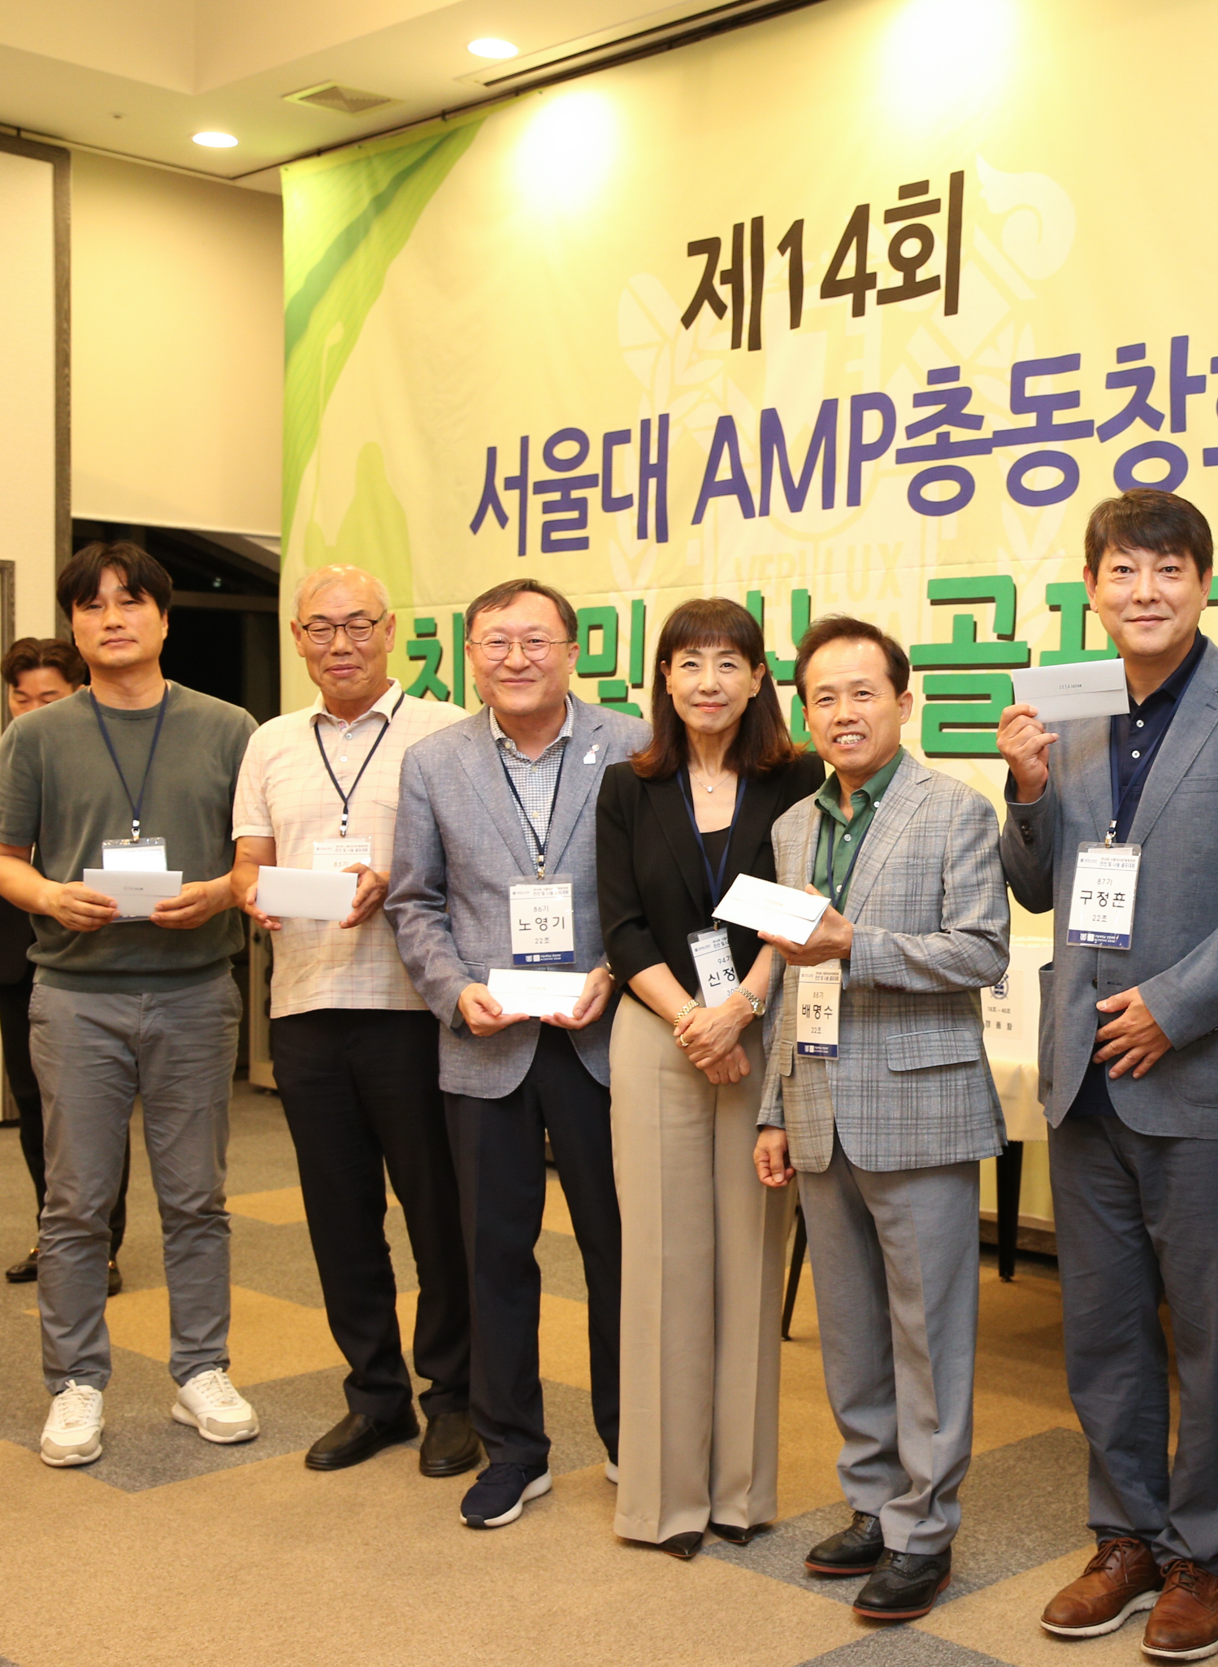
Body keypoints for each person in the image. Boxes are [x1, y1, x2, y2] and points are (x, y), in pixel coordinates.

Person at [995, 490, 1218, 1662]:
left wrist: (1174, 1008)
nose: (1146, 590)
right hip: (1085, 1069)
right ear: (1091, 588)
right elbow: (1038, 885)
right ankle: (1124, 1537)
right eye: (1123, 571)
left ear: (1205, 583)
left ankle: (1203, 1556)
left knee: (1216, 1339)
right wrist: (1026, 790)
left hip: (1208, 1071)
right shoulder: (1068, 706)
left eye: (1168, 568)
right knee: (1101, 1330)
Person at [751, 617, 1008, 1626]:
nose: (843, 712)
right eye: (823, 696)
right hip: (817, 1101)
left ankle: (924, 1528)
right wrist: (773, 1107)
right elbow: (785, 980)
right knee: (851, 1328)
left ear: (905, 702)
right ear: (804, 713)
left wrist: (858, 942)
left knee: (928, 1332)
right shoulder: (792, 827)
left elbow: (980, 949)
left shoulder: (956, 809)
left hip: (920, 1100)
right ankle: (872, 1500)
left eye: (863, 692)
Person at [0, 542, 259, 1468]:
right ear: (74, 625)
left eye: (131, 601)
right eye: (93, 605)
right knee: (75, 1204)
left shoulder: (228, 727)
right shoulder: (37, 735)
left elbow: (254, 859)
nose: (112, 619)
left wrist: (217, 893)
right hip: (75, 996)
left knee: (197, 1198)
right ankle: (76, 1383)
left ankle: (201, 1370)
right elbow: (1, 857)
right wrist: (49, 895)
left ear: (164, 620)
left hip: (195, 992)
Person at [387, 577, 643, 1530]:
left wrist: (614, 972)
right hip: (486, 1041)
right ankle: (514, 1450)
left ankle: (631, 1435)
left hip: (601, 1037)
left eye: (536, 640)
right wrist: (455, 990)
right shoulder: (433, 760)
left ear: (574, 650)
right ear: (470, 657)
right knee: (493, 1251)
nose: (516, 658)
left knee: (620, 1250)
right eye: (495, 642)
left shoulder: (631, 744)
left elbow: (653, 887)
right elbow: (414, 898)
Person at [227, 565, 480, 1480]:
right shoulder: (271, 742)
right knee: (339, 1215)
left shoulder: (447, 729)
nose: (341, 644)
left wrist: (395, 879)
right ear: (298, 639)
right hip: (304, 1004)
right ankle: (375, 1395)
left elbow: (474, 864)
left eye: (357, 624)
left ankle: (454, 1397)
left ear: (390, 629)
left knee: (437, 1212)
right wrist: (252, 891)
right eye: (321, 628)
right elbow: (250, 860)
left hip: (413, 1006)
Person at [595, 598, 821, 1558]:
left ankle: (739, 1492)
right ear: (665, 678)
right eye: (689, 662)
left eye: (729, 662)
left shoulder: (799, 776)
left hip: (761, 1028)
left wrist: (743, 1007)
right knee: (661, 1262)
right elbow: (620, 925)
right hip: (659, 1032)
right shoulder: (628, 784)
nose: (708, 681)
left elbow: (804, 905)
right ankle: (664, 1500)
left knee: (749, 1258)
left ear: (759, 677)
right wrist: (694, 1019)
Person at [0, 636, 128, 1291]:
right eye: (21, 698)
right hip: (16, 955)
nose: (32, 710)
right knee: (34, 1105)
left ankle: (101, 1245)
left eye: (47, 697)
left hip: (85, 948)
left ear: (77, 691)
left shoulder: (111, 758)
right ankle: (55, 1235)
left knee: (94, 1108)